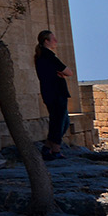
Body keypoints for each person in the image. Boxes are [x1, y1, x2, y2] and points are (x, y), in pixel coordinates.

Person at [33, 30, 71, 159]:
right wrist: (62, 74)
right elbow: (68, 72)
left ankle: (48, 147)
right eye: (53, 39)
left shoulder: (40, 56)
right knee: (59, 122)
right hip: (56, 92)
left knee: (61, 121)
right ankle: (55, 150)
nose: (56, 41)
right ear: (46, 41)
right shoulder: (48, 55)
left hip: (49, 92)